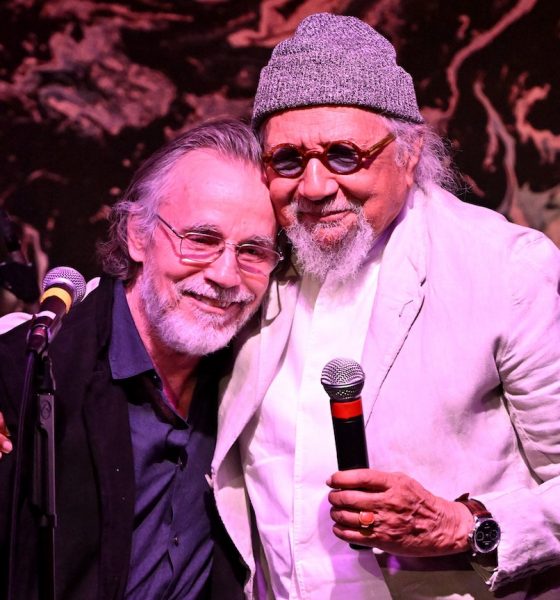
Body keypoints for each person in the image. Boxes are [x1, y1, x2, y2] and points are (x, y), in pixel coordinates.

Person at [211, 13, 560, 600]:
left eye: (344, 154)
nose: (316, 187)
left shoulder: (504, 269)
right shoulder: (247, 260)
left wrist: (460, 527)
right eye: (289, 161)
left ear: (410, 151)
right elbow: (130, 302)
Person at [0, 119, 281, 599]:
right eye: (201, 238)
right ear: (136, 233)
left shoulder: (258, 368)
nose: (226, 275)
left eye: (253, 250)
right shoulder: (30, 372)